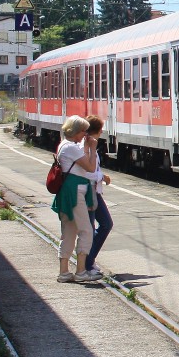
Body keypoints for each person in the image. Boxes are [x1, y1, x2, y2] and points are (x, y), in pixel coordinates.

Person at [52, 116, 103, 284]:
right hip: (75, 192)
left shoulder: (64, 146)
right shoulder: (71, 148)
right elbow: (89, 167)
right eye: (83, 131)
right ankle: (81, 270)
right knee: (86, 230)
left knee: (68, 232)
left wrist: (87, 147)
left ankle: (64, 272)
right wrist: (92, 148)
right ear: (76, 131)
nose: (85, 135)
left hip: (68, 191)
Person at [82, 115, 112, 276]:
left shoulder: (89, 146)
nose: (102, 134)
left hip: (94, 191)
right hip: (89, 192)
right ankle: (87, 264)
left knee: (98, 226)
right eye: (100, 131)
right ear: (94, 132)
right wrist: (102, 177)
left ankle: (89, 261)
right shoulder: (85, 148)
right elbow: (87, 172)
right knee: (102, 225)